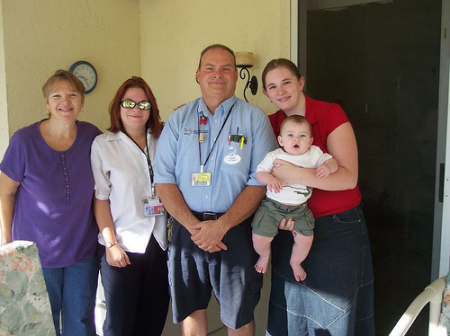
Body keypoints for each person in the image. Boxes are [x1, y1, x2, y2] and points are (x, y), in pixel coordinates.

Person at [154, 44, 277, 336]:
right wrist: (196, 228)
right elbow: (164, 178)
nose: (217, 75)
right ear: (197, 74)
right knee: (191, 310)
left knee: (239, 315)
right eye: (209, 68)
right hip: (187, 229)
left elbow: (260, 180)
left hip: (235, 229)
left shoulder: (254, 118)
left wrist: (221, 226)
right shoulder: (179, 120)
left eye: (225, 68)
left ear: (235, 75)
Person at [261, 58, 375, 336]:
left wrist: (294, 174)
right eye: (272, 86)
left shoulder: (329, 113)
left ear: (301, 82)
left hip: (338, 229)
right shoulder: (269, 124)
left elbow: (348, 178)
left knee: (334, 313)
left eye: (287, 82)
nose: (280, 91)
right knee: (293, 312)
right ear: (265, 93)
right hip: (291, 230)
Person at [0, 70, 101, 335]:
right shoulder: (24, 141)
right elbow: (5, 193)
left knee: (80, 322)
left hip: (81, 251)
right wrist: (8, 243)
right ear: (46, 103)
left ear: (81, 102)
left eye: (72, 95)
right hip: (36, 256)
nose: (65, 101)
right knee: (39, 326)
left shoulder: (93, 137)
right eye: (56, 95)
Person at [90, 76, 169, 336]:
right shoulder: (104, 145)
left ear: (151, 108)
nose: (136, 109)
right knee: (120, 325)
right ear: (118, 107)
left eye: (143, 104)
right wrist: (111, 245)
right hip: (122, 246)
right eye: (129, 103)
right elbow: (100, 199)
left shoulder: (164, 139)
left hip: (159, 244)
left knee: (153, 320)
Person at [251, 115, 338, 282]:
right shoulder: (275, 156)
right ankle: (263, 255)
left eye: (302, 135)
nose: (296, 139)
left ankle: (296, 261)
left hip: (300, 209)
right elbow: (260, 173)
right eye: (290, 135)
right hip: (272, 207)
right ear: (281, 140)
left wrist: (328, 167)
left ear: (310, 141)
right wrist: (269, 178)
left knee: (306, 239)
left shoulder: (314, 154)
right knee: (259, 236)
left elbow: (332, 161)